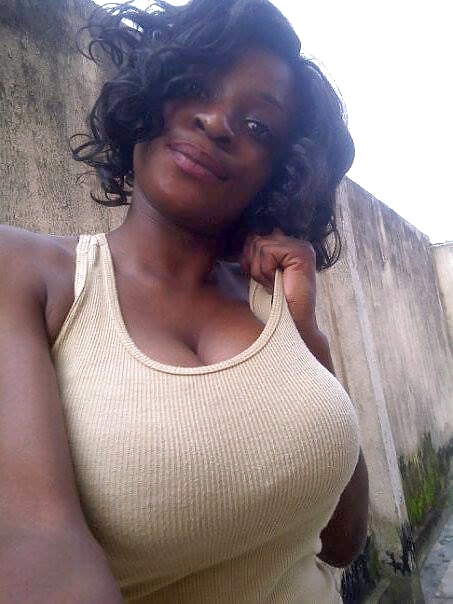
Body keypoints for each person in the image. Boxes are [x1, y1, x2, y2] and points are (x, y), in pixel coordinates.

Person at [0, 0, 369, 602]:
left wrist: (307, 336)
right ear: (152, 93)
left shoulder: (272, 304)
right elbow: (34, 541)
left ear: (276, 173)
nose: (217, 122)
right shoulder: (25, 273)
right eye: (195, 85)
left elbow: (341, 542)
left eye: (258, 127)